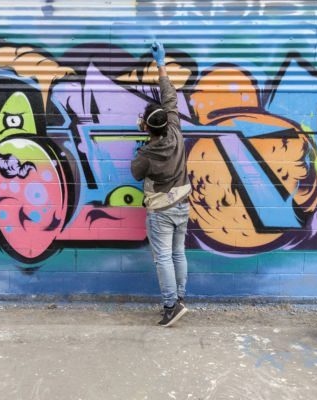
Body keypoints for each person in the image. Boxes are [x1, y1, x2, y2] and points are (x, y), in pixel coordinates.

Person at [131, 41, 191, 327]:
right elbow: (170, 97)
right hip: (183, 204)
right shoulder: (175, 129)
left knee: (163, 258)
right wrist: (161, 63)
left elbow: (135, 173)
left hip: (161, 211)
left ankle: (171, 305)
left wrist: (143, 139)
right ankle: (180, 297)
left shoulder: (147, 153)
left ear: (147, 128)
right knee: (178, 253)